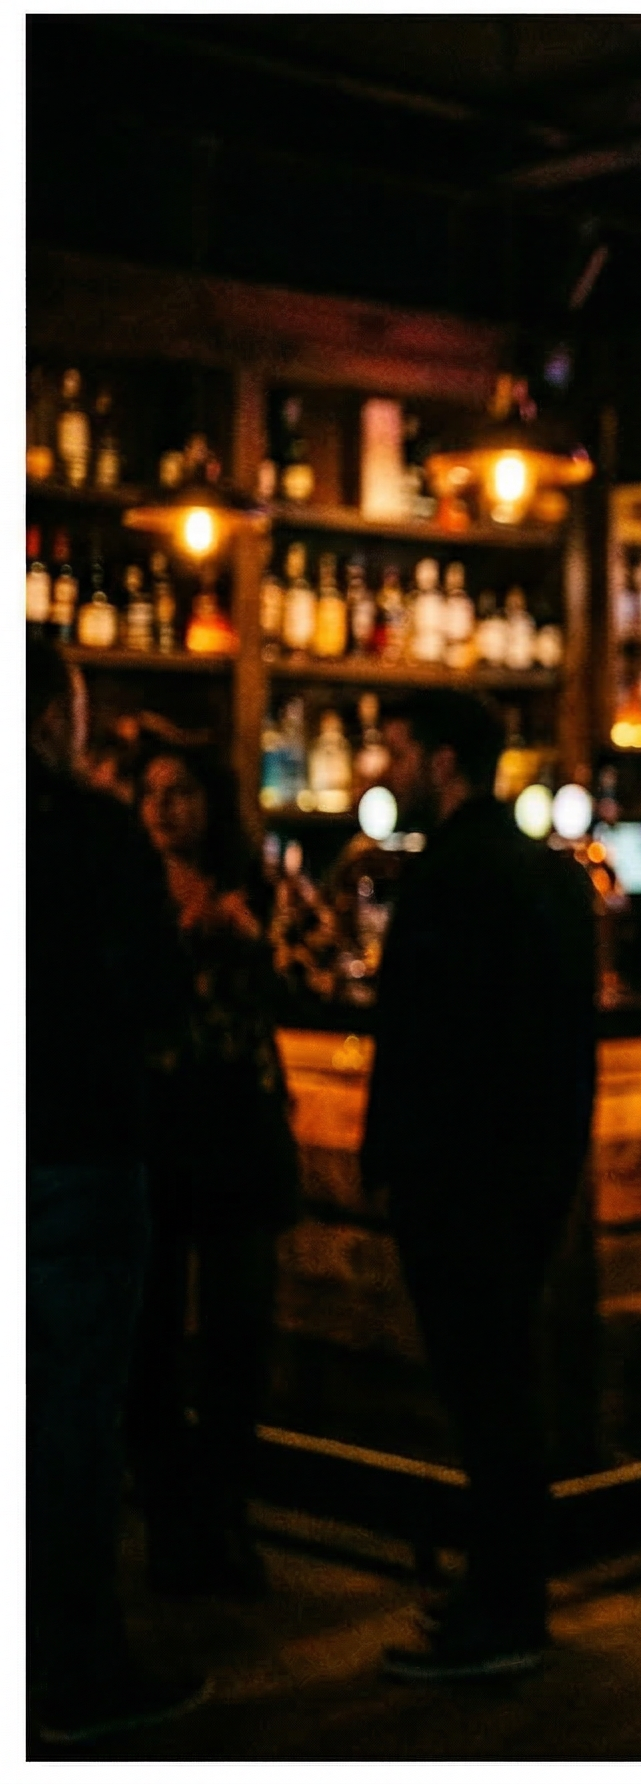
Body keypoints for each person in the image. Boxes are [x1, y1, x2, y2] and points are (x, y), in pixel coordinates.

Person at [364, 690, 598, 1680]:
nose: (388, 769)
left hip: (456, 1174)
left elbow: (418, 1039)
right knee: (506, 1382)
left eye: (400, 749)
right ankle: (503, 1591)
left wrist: (393, 1158)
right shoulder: (550, 874)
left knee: (484, 1389)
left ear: (446, 760)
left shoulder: (447, 875)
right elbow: (570, 1039)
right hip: (531, 1169)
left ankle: (503, 1613)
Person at [26, 636, 212, 1744]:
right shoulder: (95, 828)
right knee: (71, 1420)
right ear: (60, 715)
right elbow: (157, 995)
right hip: (78, 1150)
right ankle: (75, 1666)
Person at [128, 743, 301, 1598]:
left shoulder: (254, 885)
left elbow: (299, 968)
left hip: (239, 1126)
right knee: (150, 1343)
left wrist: (249, 935)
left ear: (214, 801)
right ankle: (169, 1526)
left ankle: (224, 1519)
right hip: (155, 1129)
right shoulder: (120, 891)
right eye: (152, 793)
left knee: (238, 1339)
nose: (164, 808)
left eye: (182, 792)